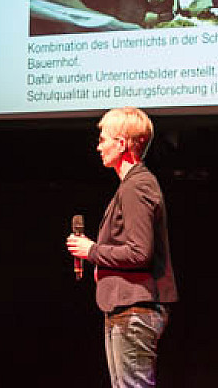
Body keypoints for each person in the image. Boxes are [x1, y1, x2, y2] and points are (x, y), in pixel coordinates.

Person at [66, 107, 178, 387]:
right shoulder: (133, 185)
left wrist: (92, 251)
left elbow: (139, 252)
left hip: (135, 307)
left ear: (121, 143)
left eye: (103, 139)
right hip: (126, 307)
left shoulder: (136, 187)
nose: (98, 147)